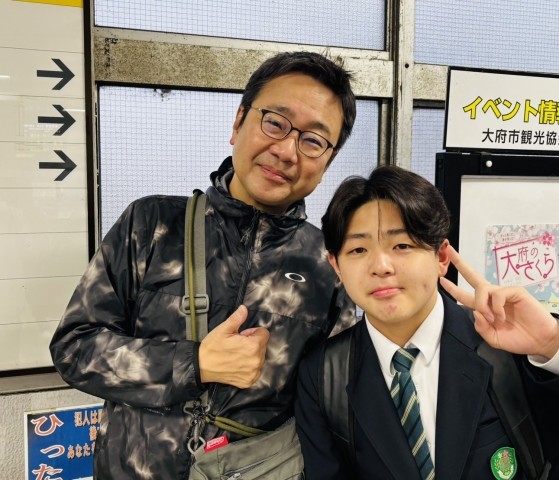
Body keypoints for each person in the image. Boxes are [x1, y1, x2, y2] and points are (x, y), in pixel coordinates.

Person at [50, 51, 356, 479]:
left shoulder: (328, 265)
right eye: (275, 123)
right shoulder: (152, 224)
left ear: (327, 162)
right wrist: (194, 364)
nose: (287, 150)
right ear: (238, 122)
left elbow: (342, 400)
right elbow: (74, 348)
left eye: (313, 141)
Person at [295, 165, 559, 480]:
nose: (381, 266)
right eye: (358, 250)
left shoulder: (512, 349)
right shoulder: (324, 374)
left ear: (442, 257)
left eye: (402, 245)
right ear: (337, 266)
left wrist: (553, 343)